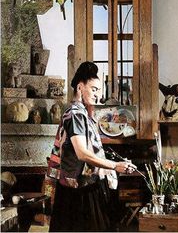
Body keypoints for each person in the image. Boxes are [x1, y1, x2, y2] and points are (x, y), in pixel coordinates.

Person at [49, 61, 136, 232]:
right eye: (94, 89)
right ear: (80, 88)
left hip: (84, 187)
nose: (98, 95)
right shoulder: (75, 115)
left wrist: (114, 162)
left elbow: (90, 150)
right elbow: (82, 154)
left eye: (99, 91)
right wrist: (115, 166)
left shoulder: (83, 114)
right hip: (77, 194)